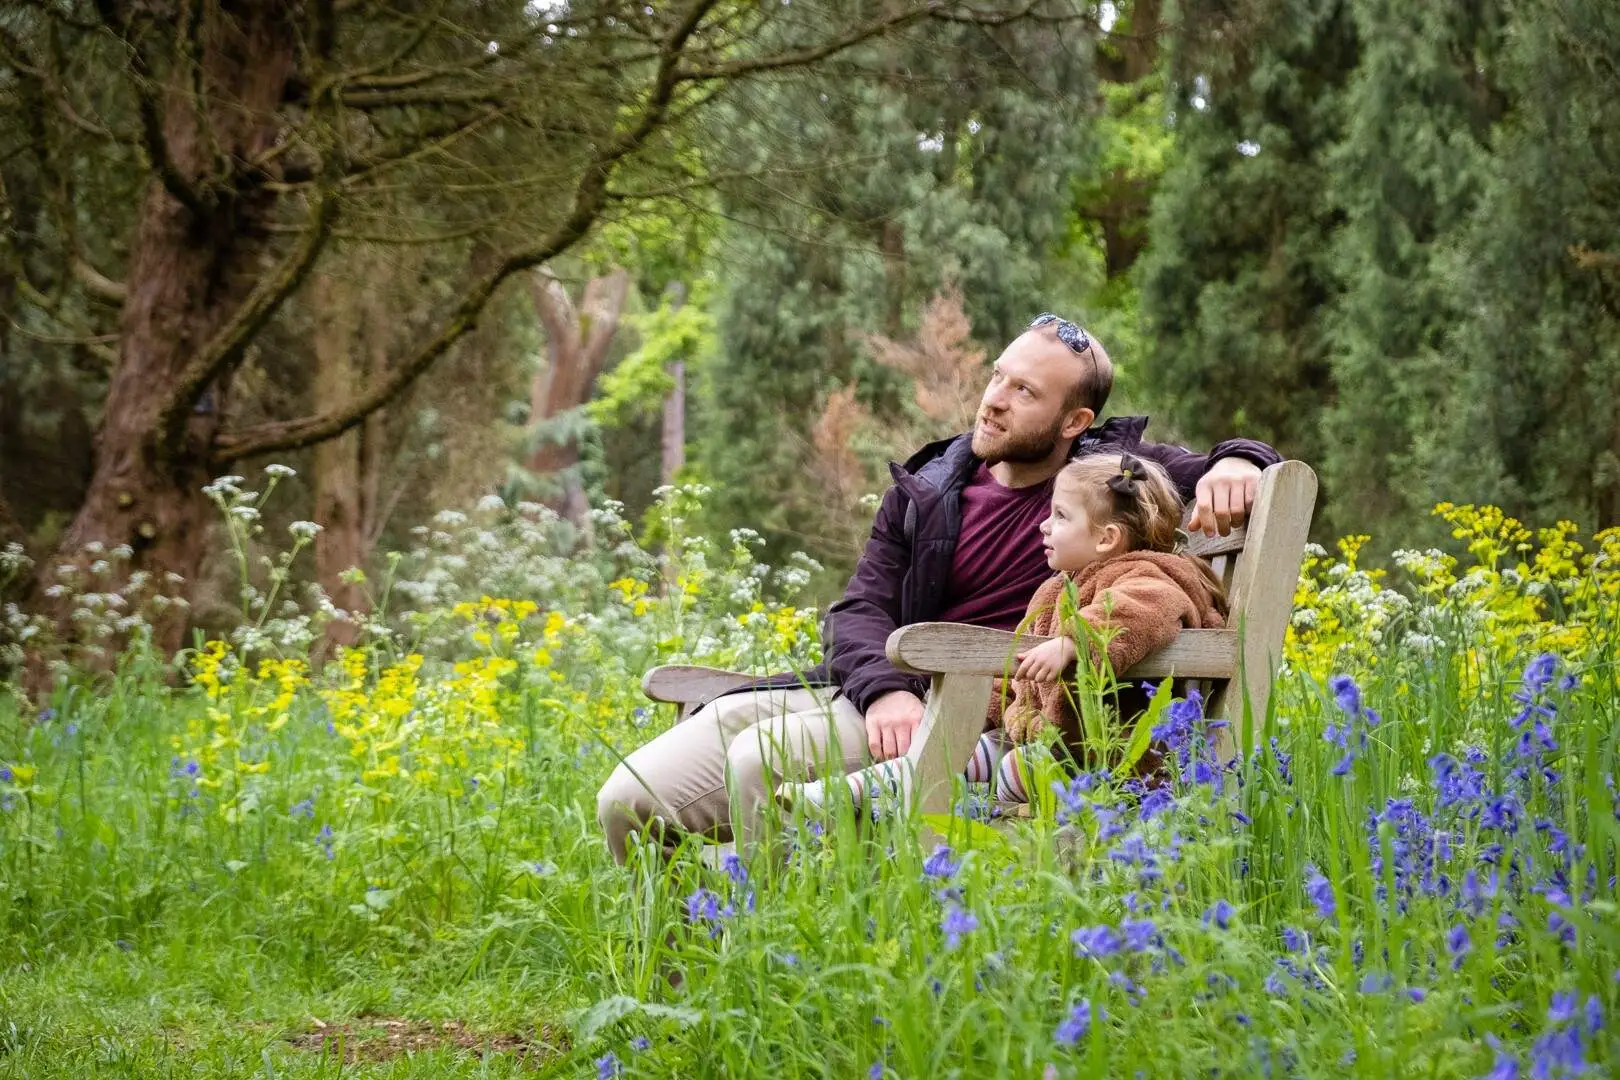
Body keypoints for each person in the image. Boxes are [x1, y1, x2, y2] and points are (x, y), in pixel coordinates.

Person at [595, 312, 1280, 864]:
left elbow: (1220, 472)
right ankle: (689, 976)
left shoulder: (1105, 487)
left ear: (1075, 422)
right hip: (870, 690)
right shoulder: (933, 485)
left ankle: (779, 972)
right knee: (626, 802)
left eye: (1025, 392)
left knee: (760, 763)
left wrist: (1244, 460)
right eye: (998, 378)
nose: (995, 400)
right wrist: (884, 690)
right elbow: (860, 608)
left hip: (967, 707)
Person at [778, 452, 1227, 813]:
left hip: (1106, 762)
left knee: (998, 768)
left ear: (1107, 538)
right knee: (950, 753)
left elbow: (1143, 612)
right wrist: (979, 714)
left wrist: (1073, 643)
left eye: (1060, 517)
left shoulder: (1147, 575)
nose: (1044, 526)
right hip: (1043, 744)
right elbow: (1017, 672)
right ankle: (848, 793)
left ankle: (926, 804)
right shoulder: (1060, 588)